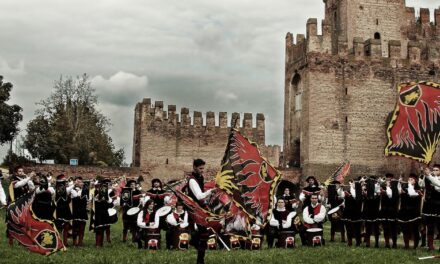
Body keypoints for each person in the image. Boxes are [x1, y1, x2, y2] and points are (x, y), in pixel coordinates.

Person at [187, 159, 215, 264]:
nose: (202, 170)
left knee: (204, 233)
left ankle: (194, 242)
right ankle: (200, 260)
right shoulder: (192, 180)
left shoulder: (200, 177)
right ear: (194, 167)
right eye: (200, 168)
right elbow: (199, 196)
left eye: (203, 168)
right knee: (204, 233)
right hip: (193, 209)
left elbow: (201, 194)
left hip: (198, 208)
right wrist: (211, 190)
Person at [398, 173, 422, 249]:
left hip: (414, 211)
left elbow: (412, 194)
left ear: (415, 181)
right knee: (405, 229)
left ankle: (415, 246)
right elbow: (398, 191)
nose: (409, 181)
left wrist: (410, 186)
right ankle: (406, 245)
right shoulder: (404, 188)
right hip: (404, 211)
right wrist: (399, 182)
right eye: (409, 179)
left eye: (412, 179)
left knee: (415, 229)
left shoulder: (418, 189)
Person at [421, 165, 440, 251]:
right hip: (430, 205)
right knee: (430, 225)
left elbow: (437, 186)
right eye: (434, 170)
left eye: (437, 170)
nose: (435, 171)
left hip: (438, 205)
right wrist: (424, 175)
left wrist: (429, 175)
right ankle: (430, 246)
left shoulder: (435, 179)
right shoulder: (429, 177)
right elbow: (420, 184)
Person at [379, 173, 399, 248]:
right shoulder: (383, 187)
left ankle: (394, 243)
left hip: (393, 210)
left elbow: (394, 198)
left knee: (393, 228)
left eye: (390, 178)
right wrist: (382, 191)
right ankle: (387, 243)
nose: (388, 179)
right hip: (385, 210)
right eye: (387, 178)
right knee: (385, 228)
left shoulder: (395, 187)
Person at [92, 178, 113, 247]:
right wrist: (99, 195)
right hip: (98, 212)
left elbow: (110, 201)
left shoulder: (106, 192)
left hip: (105, 212)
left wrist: (106, 195)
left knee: (103, 227)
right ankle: (97, 244)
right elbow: (95, 199)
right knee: (98, 228)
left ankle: (101, 243)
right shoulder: (95, 191)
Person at [341, 180, 362, 247]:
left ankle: (358, 242)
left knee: (357, 229)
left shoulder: (359, 193)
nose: (351, 184)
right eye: (352, 183)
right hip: (348, 212)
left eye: (353, 184)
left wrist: (351, 188)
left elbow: (354, 196)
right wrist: (341, 188)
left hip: (356, 213)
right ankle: (349, 242)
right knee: (348, 228)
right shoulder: (349, 191)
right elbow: (341, 195)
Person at [54, 174, 73, 246]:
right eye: (63, 180)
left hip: (66, 208)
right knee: (59, 227)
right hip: (59, 209)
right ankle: (58, 242)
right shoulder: (57, 189)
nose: (65, 181)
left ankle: (65, 242)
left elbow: (68, 200)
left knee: (66, 226)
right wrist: (74, 184)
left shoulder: (66, 189)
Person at [362, 177, 381, 248]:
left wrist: (376, 194)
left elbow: (377, 198)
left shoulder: (377, 191)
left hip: (375, 211)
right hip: (368, 211)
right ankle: (368, 243)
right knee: (368, 228)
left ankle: (376, 243)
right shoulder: (365, 191)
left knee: (376, 228)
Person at [71, 176, 89, 246]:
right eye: (78, 181)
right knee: (75, 227)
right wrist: (83, 189)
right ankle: (74, 242)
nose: (80, 183)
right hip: (76, 211)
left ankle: (80, 242)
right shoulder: (72, 190)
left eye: (81, 181)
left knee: (82, 227)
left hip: (83, 211)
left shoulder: (84, 190)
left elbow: (87, 199)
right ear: (75, 182)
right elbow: (77, 195)